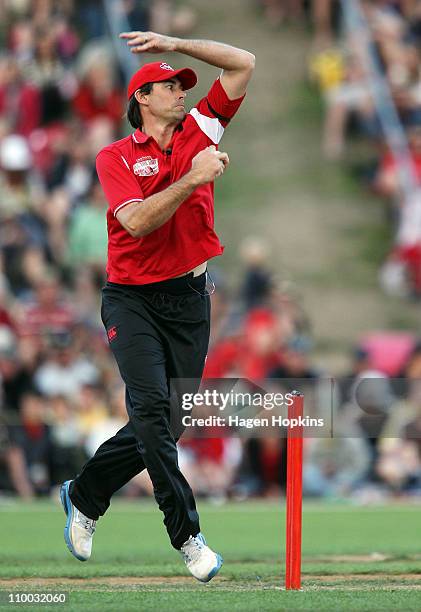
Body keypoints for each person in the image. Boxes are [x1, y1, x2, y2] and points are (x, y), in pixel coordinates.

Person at [59, 30, 255, 583]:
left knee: (168, 423)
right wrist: (194, 177)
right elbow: (137, 222)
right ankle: (189, 537)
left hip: (190, 297)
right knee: (151, 414)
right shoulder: (115, 156)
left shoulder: (201, 130)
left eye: (182, 85)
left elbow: (243, 61)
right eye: (169, 86)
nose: (181, 92)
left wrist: (174, 42)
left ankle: (85, 493)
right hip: (132, 301)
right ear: (141, 99)